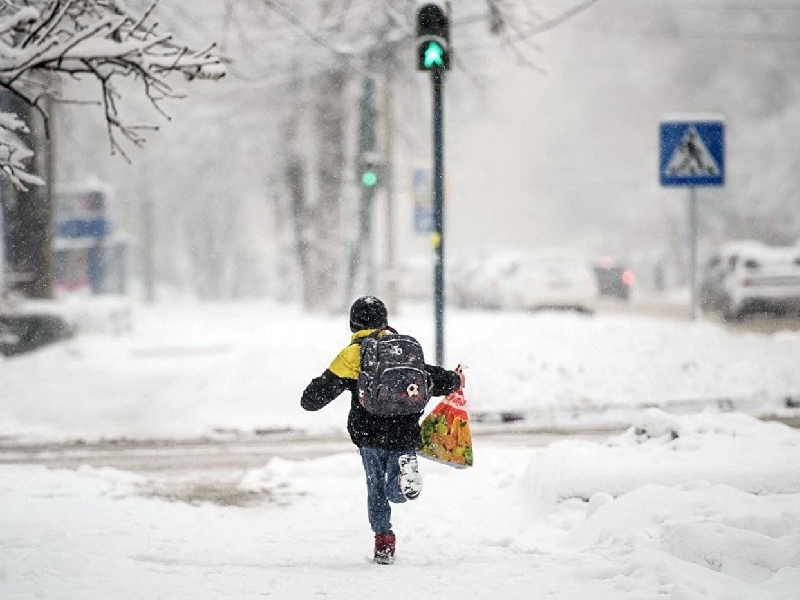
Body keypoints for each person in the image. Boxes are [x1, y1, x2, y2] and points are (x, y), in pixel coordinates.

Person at [301, 296, 464, 565]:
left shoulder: (353, 354)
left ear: (353, 323)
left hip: (370, 434)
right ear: (385, 321)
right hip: (405, 430)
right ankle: (402, 479)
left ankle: (384, 540)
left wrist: (315, 390)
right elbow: (431, 376)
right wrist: (456, 379)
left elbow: (313, 399)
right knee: (395, 489)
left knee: (375, 488)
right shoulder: (404, 349)